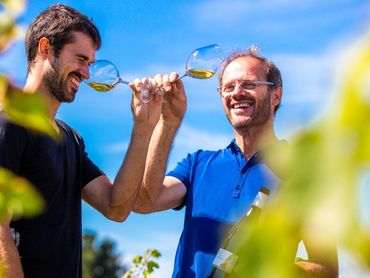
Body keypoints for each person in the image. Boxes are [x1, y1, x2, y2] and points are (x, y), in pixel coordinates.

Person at [132, 46, 339, 277]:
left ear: (276, 95)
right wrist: (169, 122)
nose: (236, 93)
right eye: (228, 87)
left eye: (249, 84)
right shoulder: (198, 164)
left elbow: (327, 268)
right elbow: (145, 202)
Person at [0, 4, 164, 278]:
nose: (86, 73)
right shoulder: (9, 127)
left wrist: (144, 127)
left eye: (90, 64)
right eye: (80, 59)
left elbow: (116, 207)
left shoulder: (70, 139)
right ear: (45, 48)